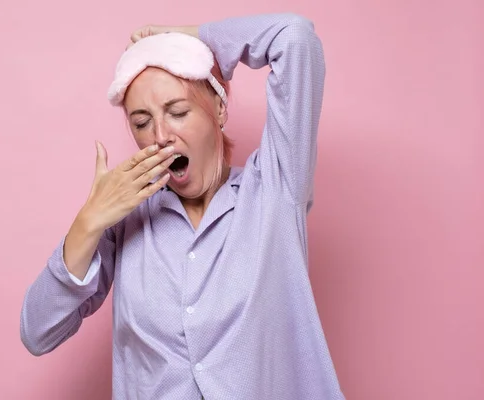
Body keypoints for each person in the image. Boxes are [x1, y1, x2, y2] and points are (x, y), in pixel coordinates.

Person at [20, 12, 345, 400]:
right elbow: (38, 333)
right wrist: (87, 224)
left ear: (219, 110)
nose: (160, 136)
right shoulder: (125, 221)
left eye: (178, 112)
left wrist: (190, 38)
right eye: (141, 122)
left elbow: (294, 38)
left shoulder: (274, 190)